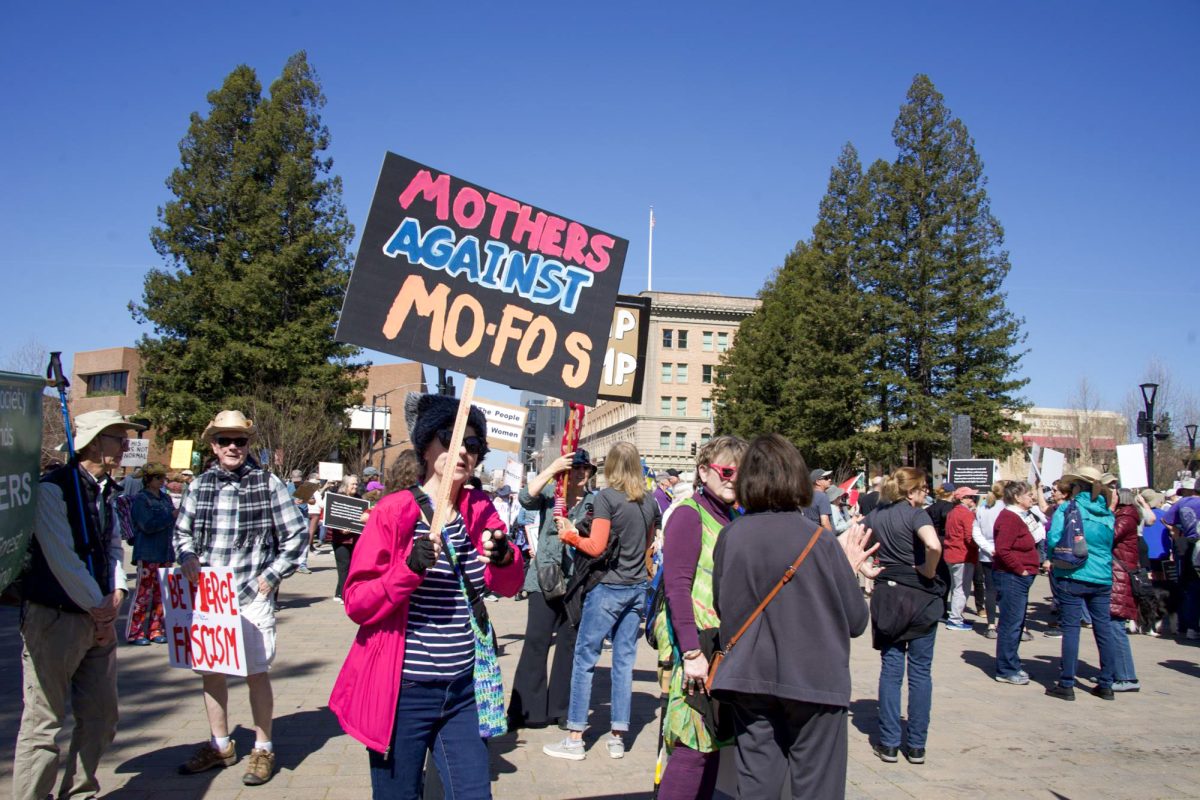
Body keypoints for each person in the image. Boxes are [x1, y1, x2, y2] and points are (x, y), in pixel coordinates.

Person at [328, 393, 523, 799]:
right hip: (404, 691)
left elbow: (507, 585)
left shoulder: (480, 508)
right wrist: (408, 570)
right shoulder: (394, 511)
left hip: (463, 691)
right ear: (426, 444)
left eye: (473, 445)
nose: (463, 452)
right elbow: (358, 602)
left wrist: (505, 558)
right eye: (451, 439)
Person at [708, 434, 877, 800]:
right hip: (816, 682)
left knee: (757, 786)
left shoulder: (731, 536)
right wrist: (849, 570)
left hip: (750, 679)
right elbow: (856, 621)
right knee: (817, 787)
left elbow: (724, 606)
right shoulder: (820, 539)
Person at [173, 410, 308, 785]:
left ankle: (263, 748)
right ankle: (220, 745)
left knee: (256, 673)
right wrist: (186, 557)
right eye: (224, 440)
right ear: (213, 446)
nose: (233, 447)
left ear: (249, 445)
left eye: (240, 441)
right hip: (210, 598)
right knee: (211, 673)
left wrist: (271, 575)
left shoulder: (267, 484)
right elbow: (181, 533)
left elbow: (296, 535)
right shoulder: (197, 486)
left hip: (251, 594)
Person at [14, 409, 140, 800]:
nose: (125, 446)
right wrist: (99, 608)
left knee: (102, 717)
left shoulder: (107, 491)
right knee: (43, 723)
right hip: (55, 619)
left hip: (98, 616)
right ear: (91, 442)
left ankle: (80, 791)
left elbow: (113, 545)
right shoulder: (52, 489)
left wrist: (116, 589)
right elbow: (61, 558)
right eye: (116, 438)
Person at [544, 441, 661, 761]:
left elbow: (595, 547)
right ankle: (618, 737)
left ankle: (575, 736)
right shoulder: (650, 502)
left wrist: (568, 533)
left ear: (611, 467)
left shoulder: (607, 498)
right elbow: (648, 547)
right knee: (624, 662)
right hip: (636, 588)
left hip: (607, 589)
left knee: (585, 660)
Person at [654, 435, 747, 800]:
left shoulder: (734, 516)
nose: (732, 479)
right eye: (726, 471)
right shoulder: (689, 514)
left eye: (740, 473)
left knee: (711, 748)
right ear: (704, 471)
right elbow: (677, 587)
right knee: (691, 748)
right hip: (696, 652)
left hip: (723, 650)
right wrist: (691, 653)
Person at [508, 449, 596, 730]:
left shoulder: (596, 504)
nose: (581, 473)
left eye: (585, 469)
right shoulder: (551, 498)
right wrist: (551, 469)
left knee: (569, 646)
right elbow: (525, 497)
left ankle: (561, 708)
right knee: (536, 641)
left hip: (576, 582)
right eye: (575, 468)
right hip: (543, 579)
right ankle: (527, 711)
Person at [866, 467, 943, 765]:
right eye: (923, 489)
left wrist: (866, 569)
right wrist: (929, 569)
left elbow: (846, 541)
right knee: (921, 672)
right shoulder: (916, 515)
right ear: (911, 492)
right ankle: (916, 746)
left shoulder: (876, 516)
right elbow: (933, 545)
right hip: (920, 596)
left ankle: (888, 744)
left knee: (891, 670)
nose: (925, 493)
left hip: (888, 596)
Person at [1044, 466, 1119, 701]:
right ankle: (1106, 682)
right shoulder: (1107, 513)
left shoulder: (1067, 508)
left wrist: (1052, 556)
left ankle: (1067, 683)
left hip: (1073, 573)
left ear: (1076, 486)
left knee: (1071, 629)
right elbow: (1110, 543)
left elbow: (1054, 538)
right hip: (1102, 576)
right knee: (1103, 628)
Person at [991, 481, 1040, 685]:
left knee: (1016, 623)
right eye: (1029, 494)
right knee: (1011, 623)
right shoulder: (1010, 518)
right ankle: (1006, 668)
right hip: (1011, 577)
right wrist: (1020, 569)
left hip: (1018, 576)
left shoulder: (1020, 516)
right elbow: (1003, 549)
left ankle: (1012, 663)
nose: (1032, 497)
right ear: (1017, 497)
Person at [127, 462, 176, 645]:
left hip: (164, 552)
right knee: (143, 594)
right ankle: (135, 632)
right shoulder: (141, 500)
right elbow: (146, 525)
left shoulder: (165, 499)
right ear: (149, 480)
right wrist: (170, 517)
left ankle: (156, 629)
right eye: (158, 477)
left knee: (161, 594)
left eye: (163, 477)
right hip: (147, 552)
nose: (162, 480)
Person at [1109, 488, 1142, 691]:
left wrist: (1110, 510)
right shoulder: (1124, 515)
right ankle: (1114, 672)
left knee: (1115, 625)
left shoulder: (1126, 516)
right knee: (1110, 625)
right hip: (1116, 572)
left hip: (1120, 574)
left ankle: (1127, 676)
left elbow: (1108, 535)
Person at [971, 480, 1009, 640]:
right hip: (1003, 553)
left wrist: (987, 548)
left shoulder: (982, 508)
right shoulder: (1007, 508)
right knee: (1006, 590)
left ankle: (991, 624)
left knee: (991, 590)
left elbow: (976, 532)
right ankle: (1006, 623)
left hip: (987, 554)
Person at [943, 486, 979, 631]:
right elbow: (970, 537)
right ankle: (955, 619)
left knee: (957, 587)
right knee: (961, 589)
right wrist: (981, 546)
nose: (973, 499)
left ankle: (957, 616)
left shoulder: (953, 512)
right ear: (962, 499)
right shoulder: (966, 514)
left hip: (952, 554)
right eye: (971, 497)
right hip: (962, 555)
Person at [328, 474, 362, 604]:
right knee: (344, 566)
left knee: (351, 566)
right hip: (340, 540)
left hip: (355, 538)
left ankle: (338, 592)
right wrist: (341, 529)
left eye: (356, 484)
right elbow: (332, 518)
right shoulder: (338, 499)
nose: (355, 486)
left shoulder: (359, 498)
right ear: (345, 486)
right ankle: (344, 595)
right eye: (352, 484)